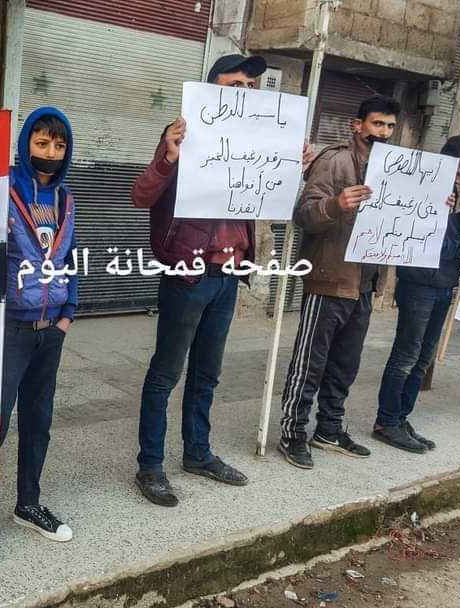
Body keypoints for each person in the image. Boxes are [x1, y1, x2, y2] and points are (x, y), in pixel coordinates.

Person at [129, 54, 267, 507]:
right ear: (210, 89)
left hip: (229, 274)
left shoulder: (258, 140)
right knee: (166, 372)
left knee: (208, 373)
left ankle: (198, 453)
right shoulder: (182, 135)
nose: (243, 91)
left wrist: (291, 167)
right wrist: (168, 157)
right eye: (234, 83)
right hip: (187, 273)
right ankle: (150, 466)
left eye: (250, 85)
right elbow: (140, 196)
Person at [0, 107, 77, 567]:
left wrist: (68, 313)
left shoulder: (66, 199)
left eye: (59, 145)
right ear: (26, 142)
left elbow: (69, 258)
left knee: (38, 422)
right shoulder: (0, 191)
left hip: (52, 331)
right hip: (8, 330)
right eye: (42, 143)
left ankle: (29, 503)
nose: (50, 153)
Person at [277, 94, 401, 470]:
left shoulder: (394, 168)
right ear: (358, 124)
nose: (384, 132)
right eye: (377, 124)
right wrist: (336, 205)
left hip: (364, 282)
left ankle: (329, 429)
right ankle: (293, 433)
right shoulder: (334, 160)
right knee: (309, 363)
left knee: (345, 364)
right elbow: (303, 214)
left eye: (391, 126)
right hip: (329, 278)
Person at [372, 135, 460, 452]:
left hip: (442, 283)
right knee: (406, 356)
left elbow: (445, 231)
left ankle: (400, 417)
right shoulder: (420, 182)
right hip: (419, 282)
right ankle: (387, 421)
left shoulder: (448, 189)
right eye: (459, 173)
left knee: (422, 359)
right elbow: (425, 236)